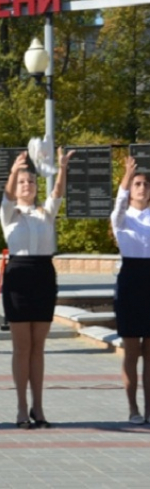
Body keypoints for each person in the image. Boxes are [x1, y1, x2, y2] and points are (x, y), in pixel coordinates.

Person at [0, 148, 73, 429]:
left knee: (38, 347)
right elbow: (5, 197)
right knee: (22, 347)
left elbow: (58, 193)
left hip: (43, 276)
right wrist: (12, 171)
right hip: (18, 277)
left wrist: (62, 168)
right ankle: (20, 408)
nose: (27, 185)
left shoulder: (45, 214)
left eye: (30, 181)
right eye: (22, 182)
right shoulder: (9, 213)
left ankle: (38, 408)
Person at [110, 156, 150, 424]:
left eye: (146, 184)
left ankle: (149, 409)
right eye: (138, 183)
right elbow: (117, 207)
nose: (142, 188)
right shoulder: (123, 219)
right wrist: (126, 175)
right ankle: (133, 408)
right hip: (131, 282)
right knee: (131, 350)